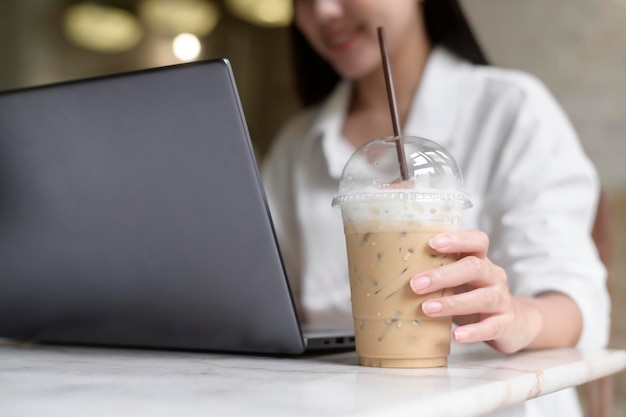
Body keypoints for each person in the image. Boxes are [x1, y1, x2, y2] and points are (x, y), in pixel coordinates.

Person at [261, 1, 610, 416]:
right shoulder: (296, 147)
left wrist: (516, 316)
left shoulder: (512, 108)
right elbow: (267, 302)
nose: (322, 11)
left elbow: (577, 301)